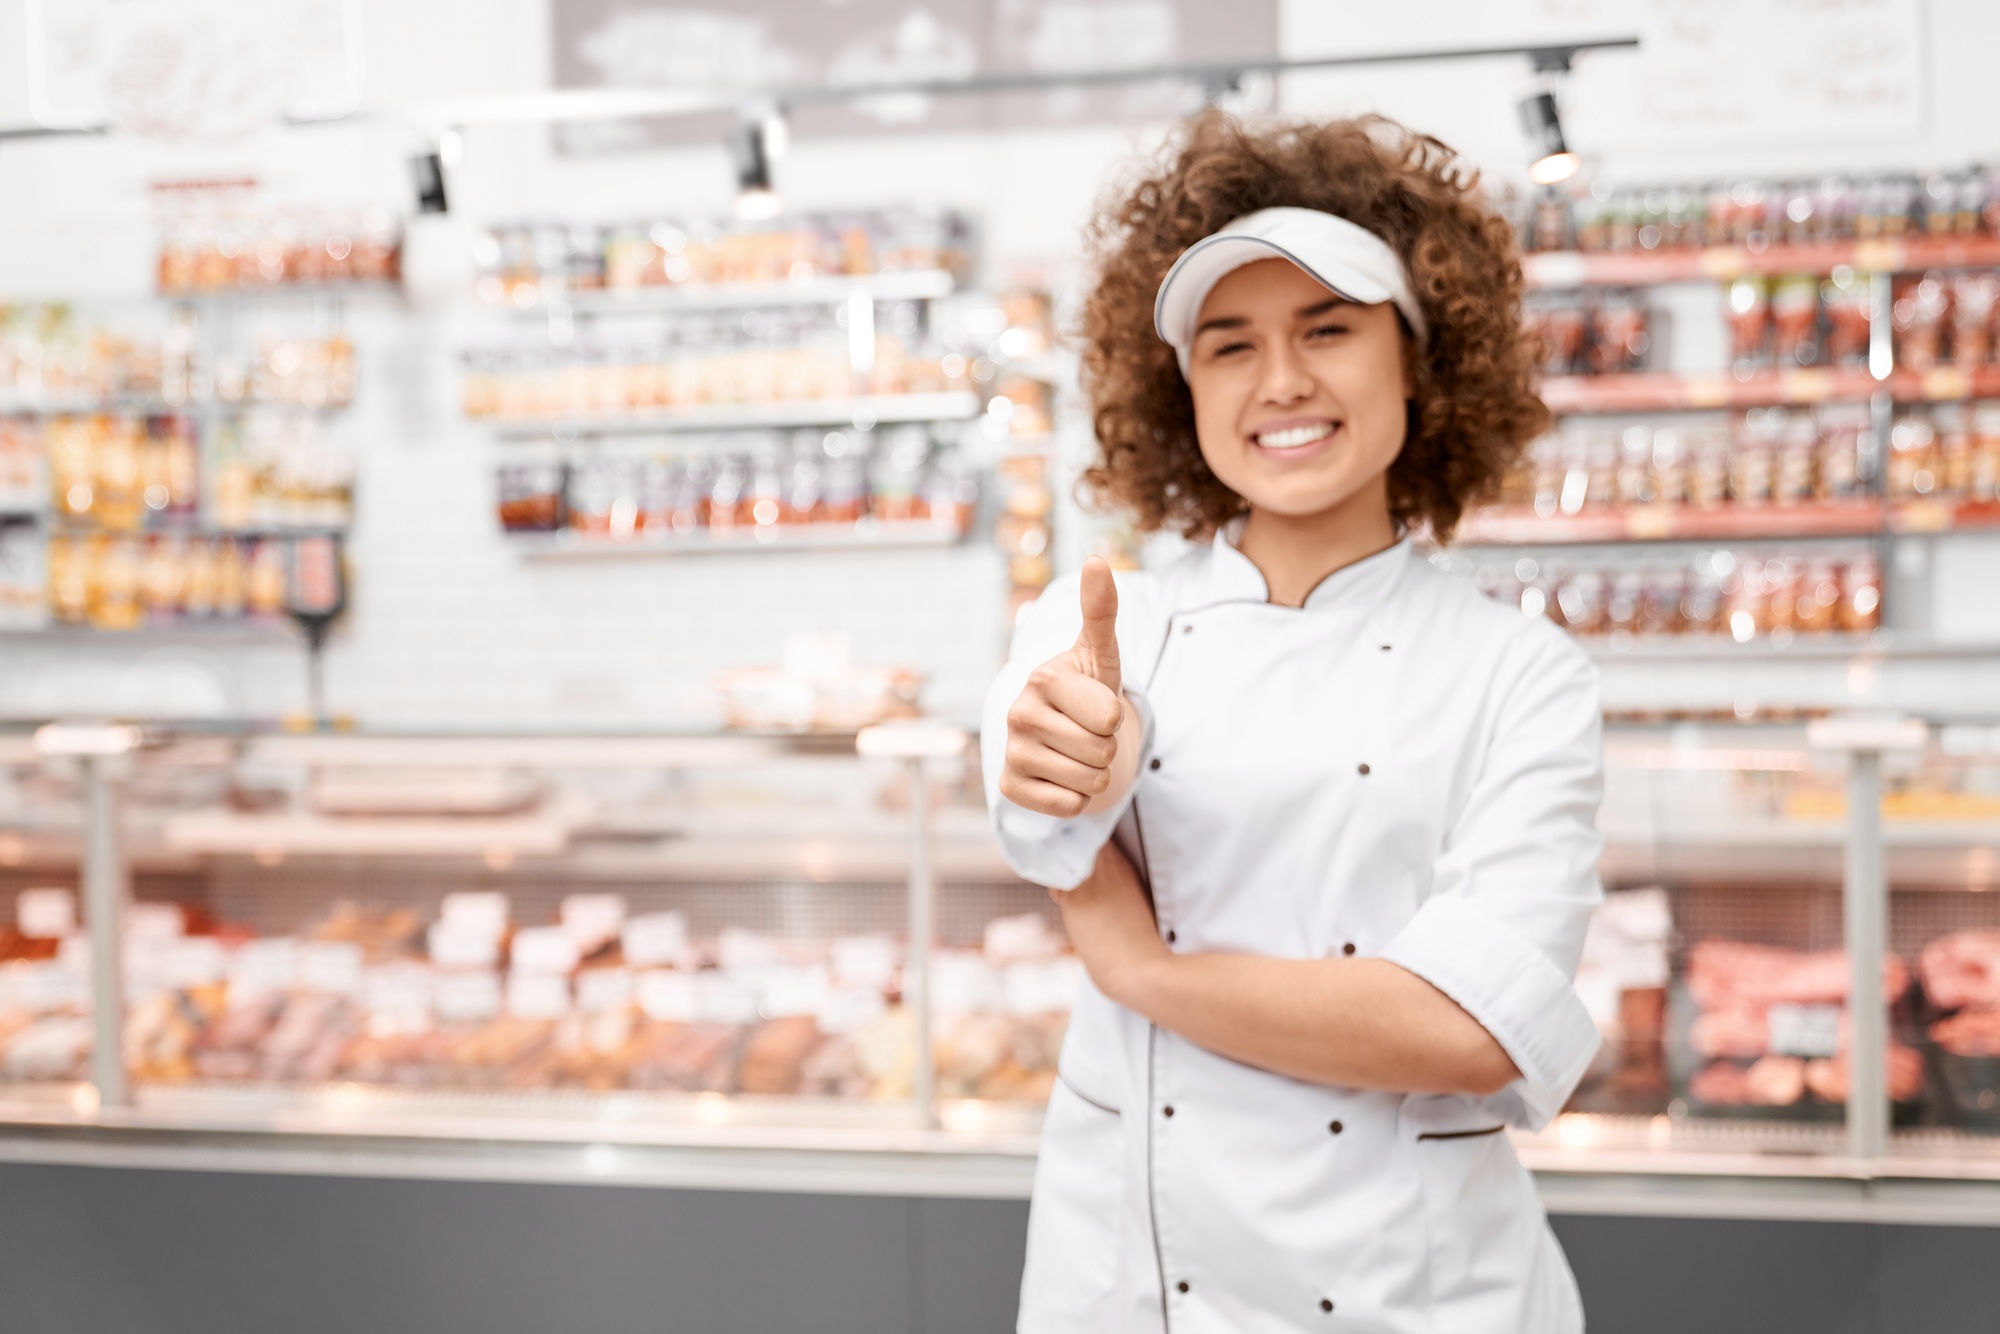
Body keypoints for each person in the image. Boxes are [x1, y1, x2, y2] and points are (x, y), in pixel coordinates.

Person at [981, 111, 1603, 1333]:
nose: (1279, 381)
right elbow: (1038, 778)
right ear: (1182, 389)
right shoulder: (1104, 624)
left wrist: (1141, 968)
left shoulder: (1519, 672)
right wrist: (1065, 759)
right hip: (1136, 1289)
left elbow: (1468, 1027)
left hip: (1413, 1293)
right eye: (1228, 345)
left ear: (1420, 359)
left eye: (1327, 328)